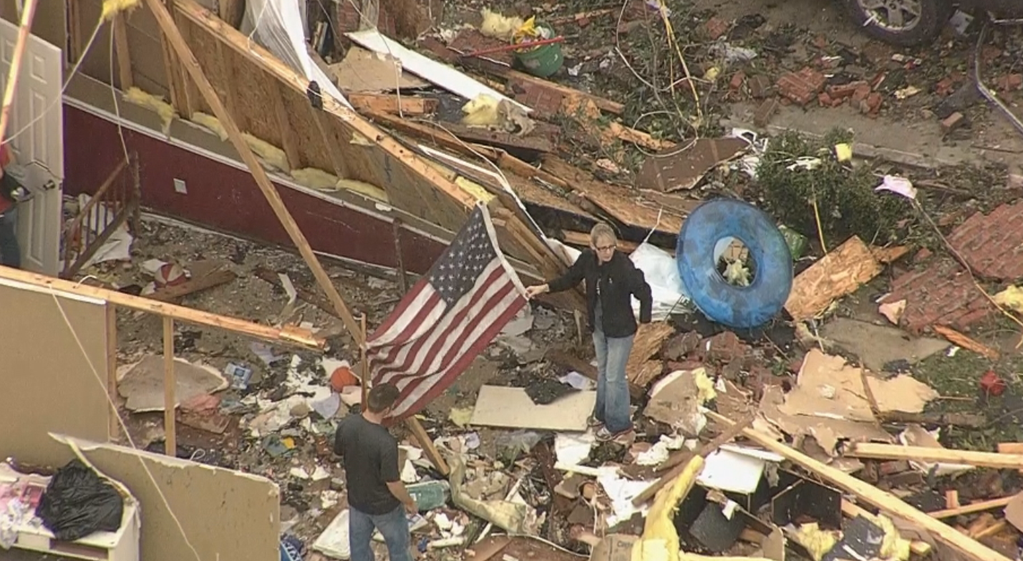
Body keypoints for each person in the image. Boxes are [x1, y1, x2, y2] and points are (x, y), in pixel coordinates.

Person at [525, 223, 652, 443]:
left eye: (611, 247)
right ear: (593, 247)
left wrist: (645, 320)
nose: (608, 252)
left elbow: (644, 292)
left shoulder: (623, 266)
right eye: (603, 248)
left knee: (614, 378)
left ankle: (619, 425)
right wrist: (543, 288)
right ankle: (601, 415)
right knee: (603, 372)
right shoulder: (587, 260)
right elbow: (570, 278)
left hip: (621, 330)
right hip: (599, 325)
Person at [334, 383, 417, 561]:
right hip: (384, 508)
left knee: (359, 550)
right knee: (399, 550)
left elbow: (339, 452)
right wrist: (409, 501)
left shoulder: (347, 425)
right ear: (387, 410)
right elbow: (393, 484)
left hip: (356, 502)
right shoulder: (386, 443)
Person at [0, 142, 21, 269]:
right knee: (8, 242)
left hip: (2, 207)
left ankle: (12, 274)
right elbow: (12, 163)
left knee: (8, 245)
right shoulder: (2, 141)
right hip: (8, 201)